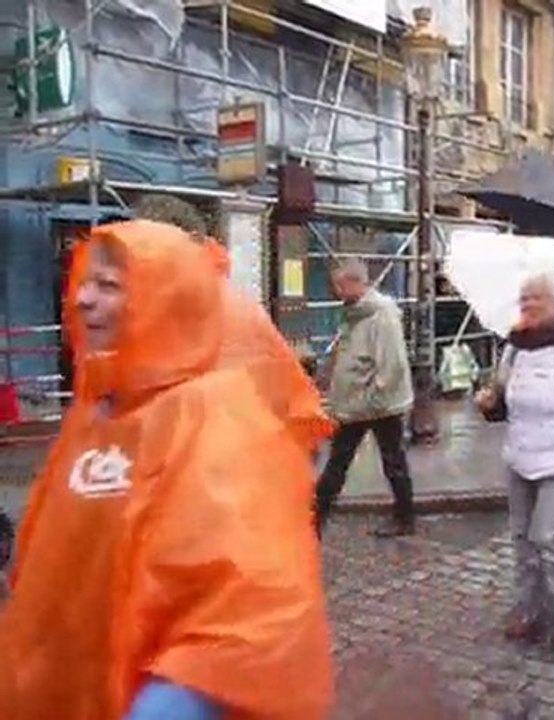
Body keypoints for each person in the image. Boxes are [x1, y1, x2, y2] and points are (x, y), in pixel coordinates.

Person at [0, 221, 333, 720]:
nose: (82, 300)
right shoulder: (98, 408)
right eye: (83, 282)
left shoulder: (213, 417)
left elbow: (250, 600)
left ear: (165, 299)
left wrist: (175, 701)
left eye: (109, 286)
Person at [476, 274, 554, 651]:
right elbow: (502, 402)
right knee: (521, 537)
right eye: (524, 298)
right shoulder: (513, 348)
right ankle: (528, 608)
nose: (528, 304)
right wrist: (489, 404)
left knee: (549, 537)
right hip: (519, 455)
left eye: (536, 299)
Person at [315, 259, 416, 537]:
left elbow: (392, 365)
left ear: (357, 283)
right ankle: (316, 517)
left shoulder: (381, 315)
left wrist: (372, 399)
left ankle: (405, 517)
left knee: (390, 460)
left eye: (340, 284)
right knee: (341, 459)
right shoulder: (354, 313)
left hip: (377, 405)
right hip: (355, 404)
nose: (336, 290)